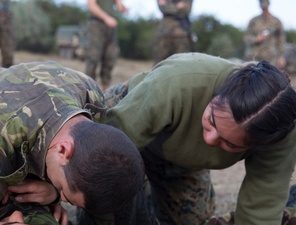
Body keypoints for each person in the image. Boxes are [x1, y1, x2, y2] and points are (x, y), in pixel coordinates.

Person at [77, 52, 296, 225]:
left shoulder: (280, 135)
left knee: (189, 220)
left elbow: (261, 208)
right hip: (122, 136)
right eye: (212, 121)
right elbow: (100, 160)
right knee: (109, 202)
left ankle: (152, 194)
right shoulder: (177, 81)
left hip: (178, 157)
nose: (209, 141)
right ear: (216, 95)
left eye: (229, 143)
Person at [0, 61, 145, 225]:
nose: (62, 198)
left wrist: (53, 192)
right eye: (64, 192)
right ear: (63, 150)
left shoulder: (91, 98)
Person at [84, 0, 128, 90]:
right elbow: (91, 5)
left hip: (110, 26)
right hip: (97, 24)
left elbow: (120, 7)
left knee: (110, 57)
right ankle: (88, 90)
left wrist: (123, 8)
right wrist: (106, 18)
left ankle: (105, 89)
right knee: (93, 58)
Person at [244, 0, 286, 69]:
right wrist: (256, 39)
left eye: (265, 6)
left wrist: (281, 57)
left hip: (270, 58)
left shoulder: (276, 22)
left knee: (269, 78)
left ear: (269, 4)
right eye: (262, 5)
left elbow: (281, 40)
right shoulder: (254, 21)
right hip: (253, 57)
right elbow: (246, 37)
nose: (264, 8)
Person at [153, 0, 194, 64]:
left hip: (182, 34)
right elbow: (162, 8)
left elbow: (186, 10)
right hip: (164, 34)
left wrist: (168, 7)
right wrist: (177, 7)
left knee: (184, 63)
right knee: (159, 63)